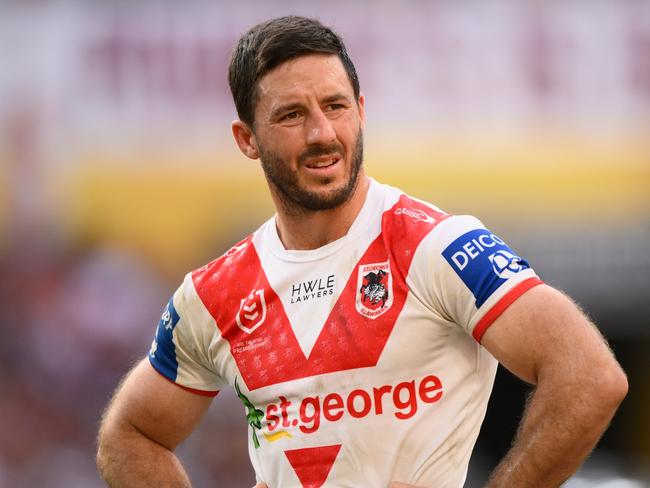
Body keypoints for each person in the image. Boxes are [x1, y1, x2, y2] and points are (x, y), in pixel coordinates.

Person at [96, 15, 628, 488]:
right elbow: (130, 435)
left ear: (362, 111)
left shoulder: (435, 245)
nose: (322, 133)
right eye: (290, 116)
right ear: (246, 138)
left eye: (335, 106)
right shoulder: (213, 294)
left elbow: (589, 376)